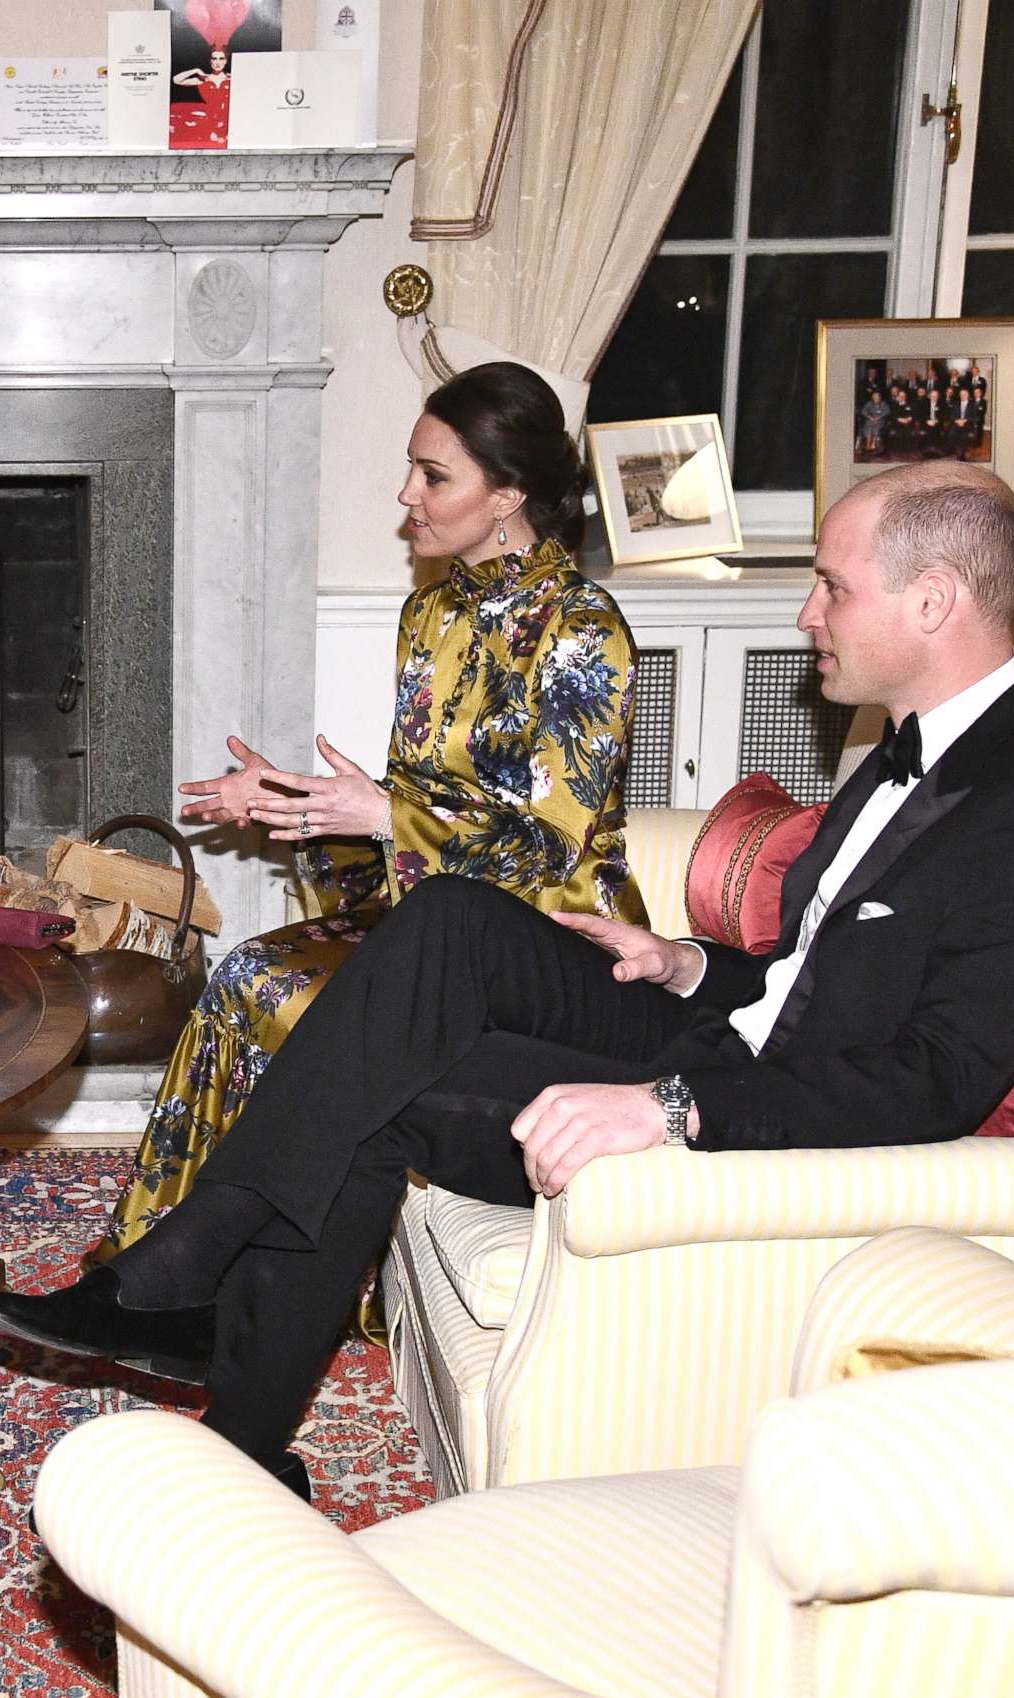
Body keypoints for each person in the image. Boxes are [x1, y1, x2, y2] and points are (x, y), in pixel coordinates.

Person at [0, 462, 1014, 1495]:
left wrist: (667, 1107)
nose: (807, 613)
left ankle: (223, 1373)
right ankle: (197, 1273)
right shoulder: (912, 742)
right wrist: (689, 963)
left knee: (391, 1094)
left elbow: (926, 1083)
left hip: (778, 1113)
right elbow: (819, 972)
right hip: (726, 1032)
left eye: (832, 587)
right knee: (449, 923)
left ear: (934, 601)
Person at [92, 362, 642, 1261]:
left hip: (552, 943)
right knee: (243, 977)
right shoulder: (428, 614)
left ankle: (240, 1265)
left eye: (434, 477)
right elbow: (409, 809)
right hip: (426, 920)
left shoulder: (582, 630)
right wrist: (301, 807)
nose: (405, 494)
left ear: (507, 495)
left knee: (284, 990)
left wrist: (385, 816)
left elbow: (550, 849)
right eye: (411, 468)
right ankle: (170, 1261)